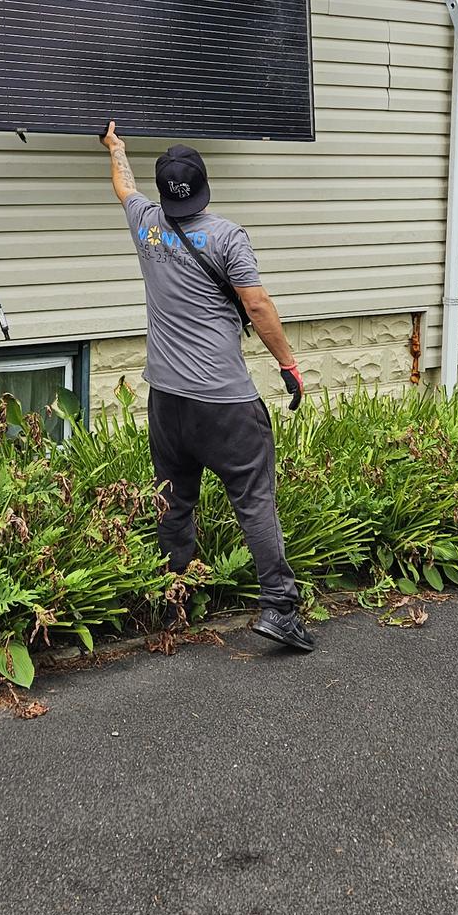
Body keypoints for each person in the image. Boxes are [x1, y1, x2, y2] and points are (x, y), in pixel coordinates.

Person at [101, 122, 316, 652]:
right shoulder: (225, 237)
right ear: (202, 187)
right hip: (223, 403)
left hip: (166, 400)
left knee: (174, 499)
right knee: (254, 499)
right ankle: (280, 609)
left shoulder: (146, 226)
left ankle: (173, 596)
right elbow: (258, 306)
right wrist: (289, 364)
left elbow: (124, 187)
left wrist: (116, 147)